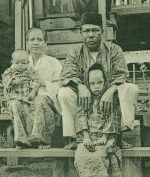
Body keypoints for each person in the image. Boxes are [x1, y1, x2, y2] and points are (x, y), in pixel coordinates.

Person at [58, 12, 139, 149]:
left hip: (109, 98)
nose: (91, 35)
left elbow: (122, 74)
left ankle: (117, 137)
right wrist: (81, 87)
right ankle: (76, 138)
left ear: (102, 32)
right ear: (81, 32)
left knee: (131, 88)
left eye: (95, 30)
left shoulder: (113, 49)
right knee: (64, 93)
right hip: (84, 100)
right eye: (86, 31)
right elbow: (67, 75)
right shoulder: (75, 51)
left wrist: (110, 91)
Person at [74, 63, 122, 177]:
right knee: (81, 155)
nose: (96, 86)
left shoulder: (109, 100)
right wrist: (85, 137)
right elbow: (80, 117)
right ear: (87, 84)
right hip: (88, 138)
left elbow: (113, 117)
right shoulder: (85, 99)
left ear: (105, 82)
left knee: (99, 155)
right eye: (92, 83)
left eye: (100, 82)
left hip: (105, 137)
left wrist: (105, 136)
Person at [26, 27, 63, 147]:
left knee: (40, 101)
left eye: (39, 39)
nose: (35, 43)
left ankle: (41, 139)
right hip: (26, 97)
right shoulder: (22, 62)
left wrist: (44, 83)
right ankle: (23, 140)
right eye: (32, 39)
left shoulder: (53, 62)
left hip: (47, 99)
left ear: (45, 43)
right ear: (27, 43)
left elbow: (60, 86)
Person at [2, 50, 42, 148]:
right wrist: (14, 82)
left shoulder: (31, 71)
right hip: (14, 96)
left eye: (23, 63)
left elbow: (36, 81)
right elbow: (5, 81)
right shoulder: (10, 71)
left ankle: (32, 138)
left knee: (29, 111)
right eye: (17, 63)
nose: (20, 65)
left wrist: (33, 91)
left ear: (28, 63)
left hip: (27, 97)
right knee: (19, 108)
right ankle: (21, 139)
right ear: (12, 62)